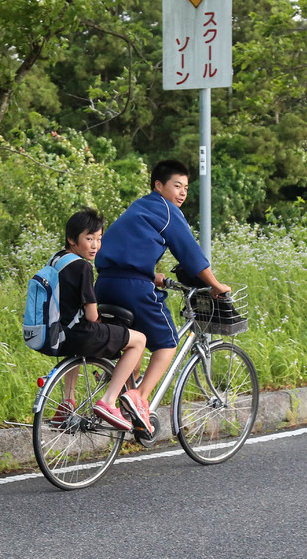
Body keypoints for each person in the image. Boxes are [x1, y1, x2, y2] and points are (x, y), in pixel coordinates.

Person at [94, 160, 230, 417]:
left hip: (104, 283)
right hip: (133, 288)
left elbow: (125, 247)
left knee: (132, 342)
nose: (182, 193)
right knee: (167, 343)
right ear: (159, 185)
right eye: (177, 186)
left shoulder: (139, 206)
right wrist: (216, 285)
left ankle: (118, 405)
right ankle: (140, 399)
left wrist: (149, 273)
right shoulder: (168, 211)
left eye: (186, 188)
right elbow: (190, 254)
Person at [50, 208, 152, 433]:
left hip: (59, 334)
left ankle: (68, 401)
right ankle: (109, 399)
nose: (95, 245)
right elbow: (91, 315)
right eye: (89, 238)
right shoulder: (83, 266)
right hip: (82, 334)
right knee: (139, 340)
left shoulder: (57, 259)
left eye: (99, 239)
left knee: (79, 341)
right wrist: (99, 318)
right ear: (72, 239)